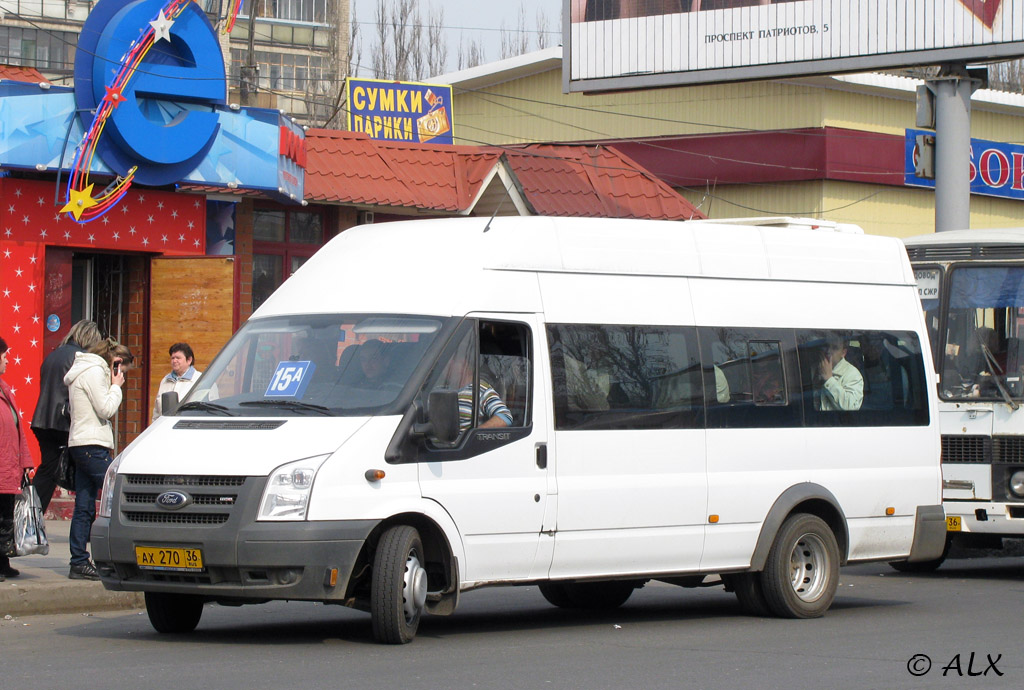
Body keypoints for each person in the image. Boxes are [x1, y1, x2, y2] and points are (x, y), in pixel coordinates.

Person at [64, 337, 132, 580]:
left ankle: (79, 561)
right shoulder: (94, 371)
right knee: (121, 495)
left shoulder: (85, 370)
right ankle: (123, 557)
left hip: (83, 443)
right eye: (121, 370)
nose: (121, 374)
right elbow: (106, 409)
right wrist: (116, 386)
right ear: (116, 362)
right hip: (91, 445)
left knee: (84, 506)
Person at [30, 320, 102, 513]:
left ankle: (30, 515)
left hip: (42, 420)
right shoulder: (81, 358)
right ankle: (32, 516)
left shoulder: (54, 355)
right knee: (82, 474)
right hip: (64, 421)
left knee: (49, 469)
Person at [1, 336, 35, 581]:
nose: (6, 361)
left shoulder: (4, 388)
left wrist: (26, 461)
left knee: (5, 518)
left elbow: (17, 428)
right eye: (3, 356)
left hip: (8, 467)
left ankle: (3, 561)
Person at [152, 342, 202, 422]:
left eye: (178, 358)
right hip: (165, 429)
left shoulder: (200, 380)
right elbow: (156, 412)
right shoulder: (165, 380)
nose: (174, 361)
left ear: (189, 360)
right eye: (172, 358)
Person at [817, 334, 864, 411]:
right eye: (826, 346)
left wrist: (829, 380)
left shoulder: (853, 374)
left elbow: (850, 407)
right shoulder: (813, 367)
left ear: (843, 353)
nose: (828, 351)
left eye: (834, 348)